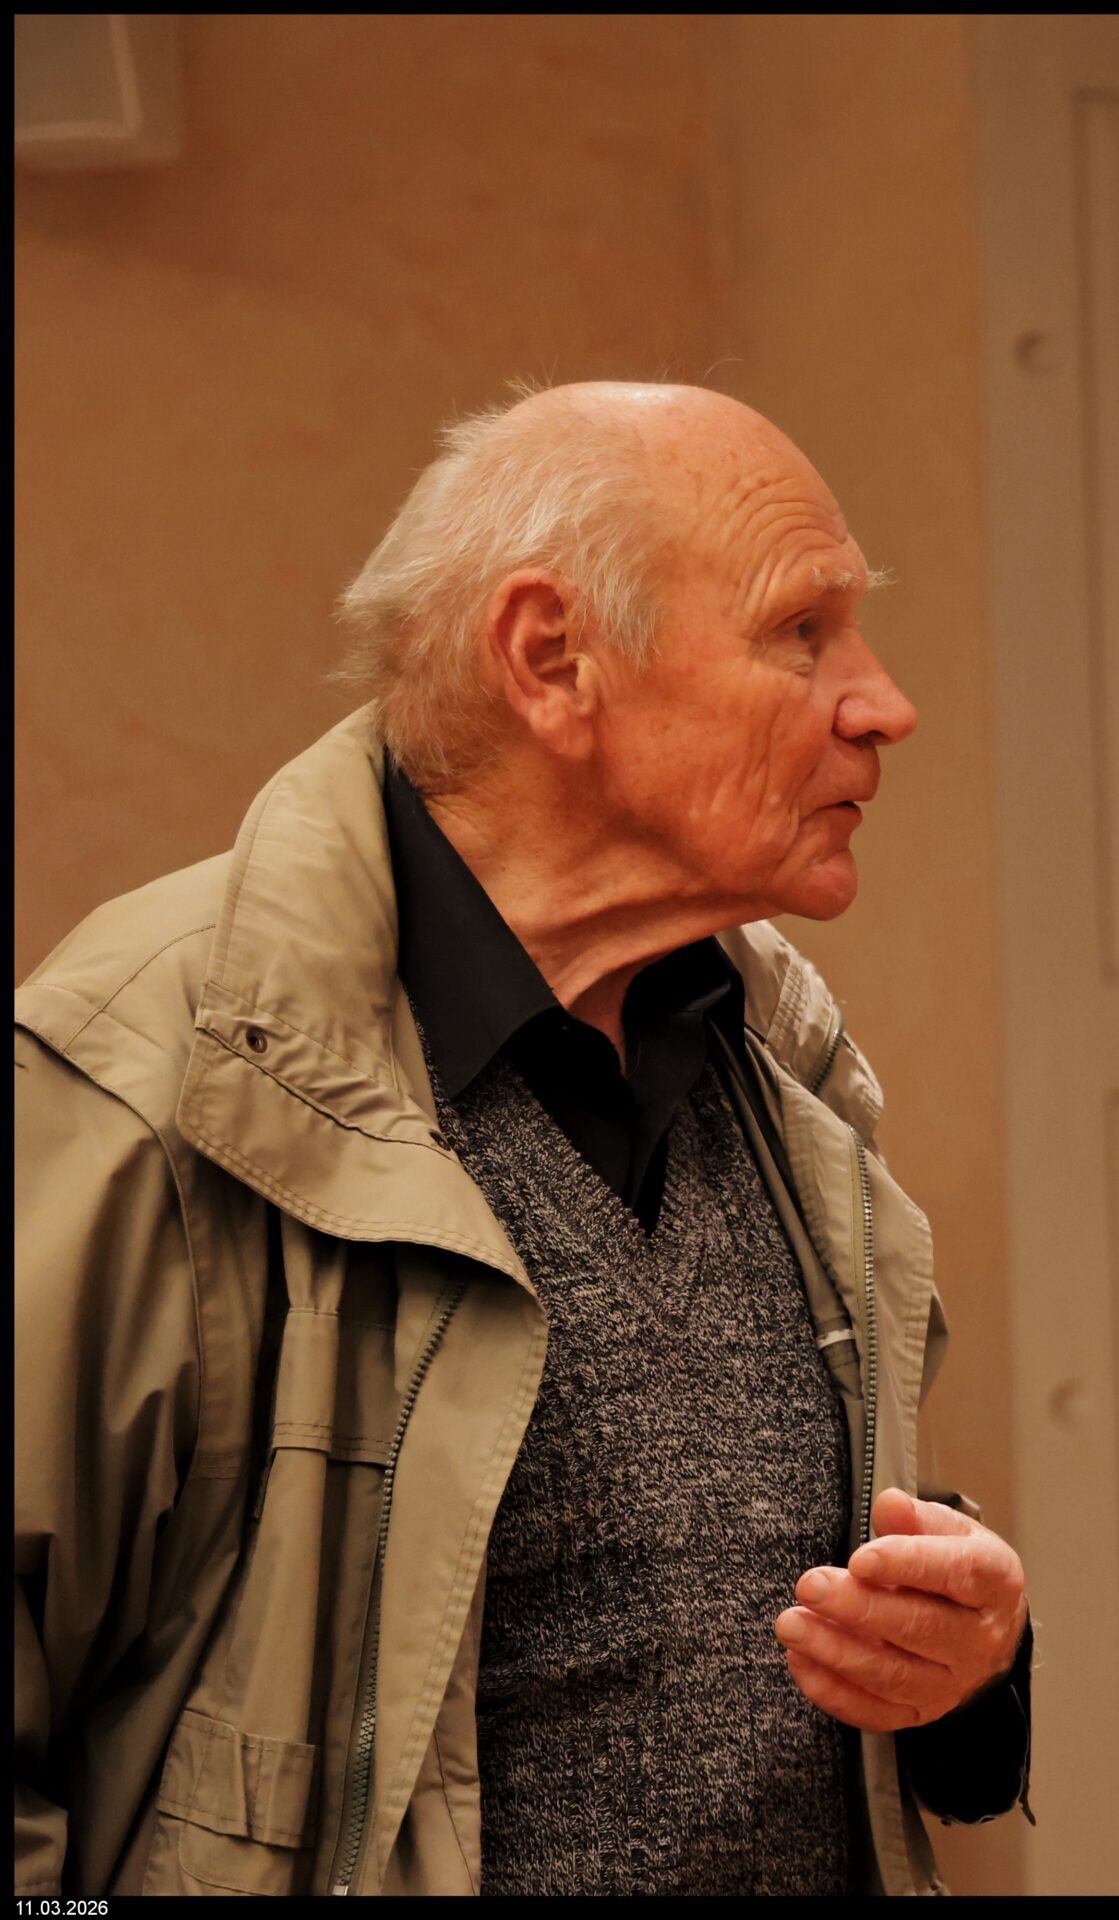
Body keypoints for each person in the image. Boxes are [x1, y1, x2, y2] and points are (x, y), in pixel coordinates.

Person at [15, 382, 1033, 1896]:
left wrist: (967, 1667)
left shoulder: (790, 1063)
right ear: (553, 661)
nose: (884, 703)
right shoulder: (149, 1078)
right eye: (802, 630)